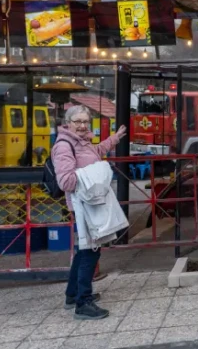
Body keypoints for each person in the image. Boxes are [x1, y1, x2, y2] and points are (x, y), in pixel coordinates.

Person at [52, 104, 127, 320]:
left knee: (84, 250)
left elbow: (96, 152)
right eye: (78, 122)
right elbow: (66, 181)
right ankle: (82, 303)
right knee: (90, 251)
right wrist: (96, 174)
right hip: (83, 206)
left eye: (86, 121)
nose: (83, 126)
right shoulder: (64, 146)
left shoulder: (82, 142)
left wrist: (115, 138)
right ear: (68, 123)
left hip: (89, 204)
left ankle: (72, 295)